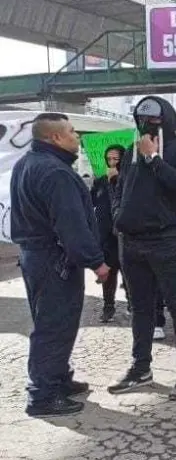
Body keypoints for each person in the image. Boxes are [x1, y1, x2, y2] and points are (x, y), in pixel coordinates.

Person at [10, 113, 110, 416]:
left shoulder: (26, 164)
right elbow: (71, 225)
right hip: (54, 259)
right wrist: (96, 262)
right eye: (71, 131)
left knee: (52, 322)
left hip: (35, 255)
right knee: (54, 325)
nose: (76, 135)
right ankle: (42, 395)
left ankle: (57, 379)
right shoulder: (56, 172)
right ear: (54, 138)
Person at [107, 95, 176, 400]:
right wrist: (119, 214)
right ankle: (140, 367)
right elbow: (121, 188)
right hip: (132, 242)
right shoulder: (131, 152)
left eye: (154, 119)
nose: (147, 124)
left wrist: (153, 158)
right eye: (142, 118)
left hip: (167, 241)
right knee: (140, 309)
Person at [91, 144, 127, 323]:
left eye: (116, 159)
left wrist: (116, 181)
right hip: (106, 236)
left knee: (129, 273)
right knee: (109, 273)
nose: (112, 163)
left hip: (125, 234)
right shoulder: (100, 181)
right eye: (109, 159)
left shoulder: (129, 180)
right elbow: (91, 202)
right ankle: (108, 307)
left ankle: (133, 304)